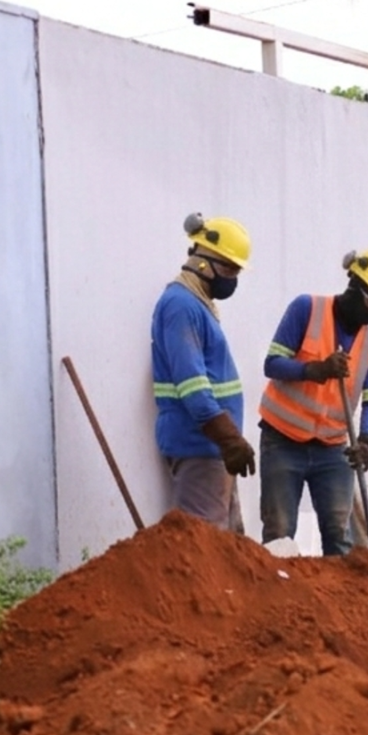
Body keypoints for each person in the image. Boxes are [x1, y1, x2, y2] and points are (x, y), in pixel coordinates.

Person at [258, 249, 368, 556]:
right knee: (279, 533)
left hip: (333, 448)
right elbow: (273, 363)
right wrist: (314, 370)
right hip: (283, 440)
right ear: (353, 286)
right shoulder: (306, 309)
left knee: (339, 536)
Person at [150, 213, 256, 531]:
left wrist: (229, 442)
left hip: (214, 448)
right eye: (227, 268)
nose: (231, 278)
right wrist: (229, 439)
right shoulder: (181, 306)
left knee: (226, 547)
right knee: (205, 546)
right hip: (200, 446)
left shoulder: (196, 305)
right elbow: (193, 387)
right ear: (201, 262)